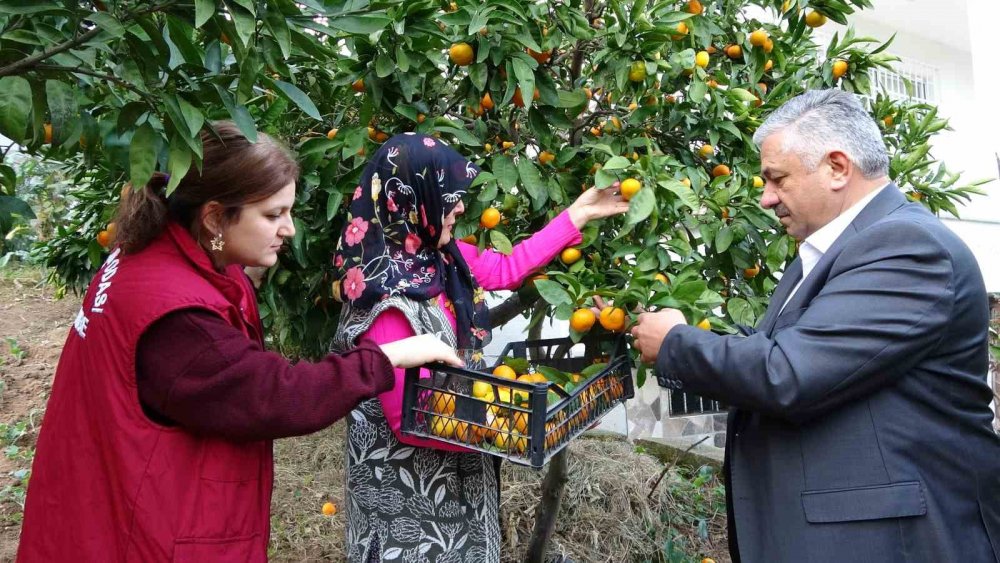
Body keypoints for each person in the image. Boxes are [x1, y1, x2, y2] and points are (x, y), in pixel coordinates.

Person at [17, 122, 463, 562]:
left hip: (108, 502)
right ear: (213, 216)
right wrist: (388, 356)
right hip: (146, 531)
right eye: (272, 215)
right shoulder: (176, 316)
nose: (288, 229)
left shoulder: (145, 256)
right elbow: (275, 395)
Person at [631, 89, 1000, 562]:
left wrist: (676, 343)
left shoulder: (908, 247)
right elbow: (794, 352)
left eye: (777, 179)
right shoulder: (839, 250)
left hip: (892, 543)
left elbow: (788, 373)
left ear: (837, 168)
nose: (766, 198)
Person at [330, 133, 629, 562]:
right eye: (449, 194)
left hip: (450, 495)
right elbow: (411, 418)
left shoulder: (439, 257)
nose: (459, 207)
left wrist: (578, 214)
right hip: (410, 520)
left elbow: (507, 267)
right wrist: (521, 427)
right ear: (413, 197)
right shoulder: (387, 304)